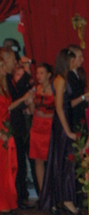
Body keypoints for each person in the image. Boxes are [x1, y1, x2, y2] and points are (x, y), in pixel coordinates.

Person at [39, 48, 81, 215]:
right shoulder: (61, 80)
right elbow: (59, 108)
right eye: (72, 60)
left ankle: (58, 200)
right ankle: (66, 200)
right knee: (66, 161)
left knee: (59, 161)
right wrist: (68, 131)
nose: (74, 63)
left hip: (62, 123)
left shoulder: (61, 78)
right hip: (62, 124)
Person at [1, 45, 35, 209]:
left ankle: (16, 198)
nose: (15, 63)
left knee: (17, 163)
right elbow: (9, 104)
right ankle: (15, 198)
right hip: (7, 127)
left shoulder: (7, 80)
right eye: (13, 59)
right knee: (13, 164)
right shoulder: (6, 80)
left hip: (12, 126)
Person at [28, 62, 55, 193]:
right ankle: (42, 192)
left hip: (49, 126)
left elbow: (60, 110)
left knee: (49, 159)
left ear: (49, 75)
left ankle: (52, 192)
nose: (38, 75)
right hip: (36, 126)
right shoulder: (35, 89)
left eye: (41, 73)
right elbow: (32, 110)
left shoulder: (54, 89)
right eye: (37, 73)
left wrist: (47, 115)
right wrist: (30, 102)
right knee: (37, 160)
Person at [0, 57, 18, 215]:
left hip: (6, 129)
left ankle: (7, 202)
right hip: (1, 131)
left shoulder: (4, 86)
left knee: (9, 167)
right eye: (1, 67)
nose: (5, 69)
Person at [67, 44, 89, 132]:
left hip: (79, 117)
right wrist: (85, 96)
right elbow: (69, 103)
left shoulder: (77, 75)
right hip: (73, 119)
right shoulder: (69, 76)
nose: (82, 60)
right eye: (79, 57)